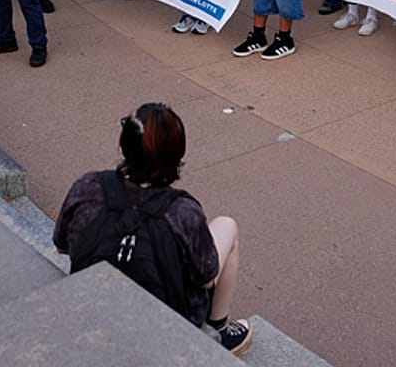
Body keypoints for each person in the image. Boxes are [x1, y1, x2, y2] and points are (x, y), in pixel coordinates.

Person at [54, 103, 253, 355]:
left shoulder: (87, 186)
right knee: (227, 225)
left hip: (93, 302)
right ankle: (218, 328)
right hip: (165, 324)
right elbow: (205, 277)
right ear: (176, 157)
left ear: (125, 144)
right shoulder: (183, 211)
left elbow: (62, 245)